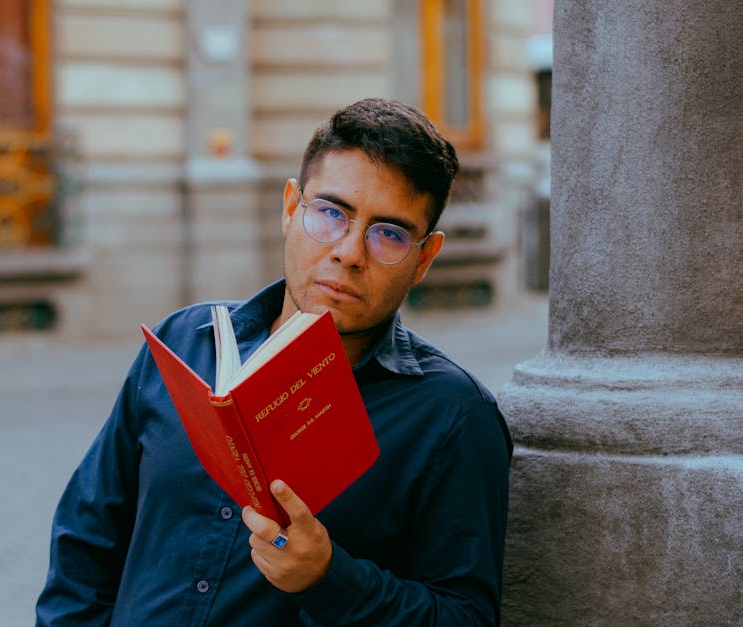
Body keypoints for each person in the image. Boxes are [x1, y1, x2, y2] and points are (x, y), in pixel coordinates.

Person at [35, 98, 513, 626]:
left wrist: (329, 579)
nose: (350, 252)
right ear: (291, 209)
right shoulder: (185, 342)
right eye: (331, 214)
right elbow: (87, 533)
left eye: (389, 235)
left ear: (424, 259)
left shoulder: (452, 416)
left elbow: (465, 617)